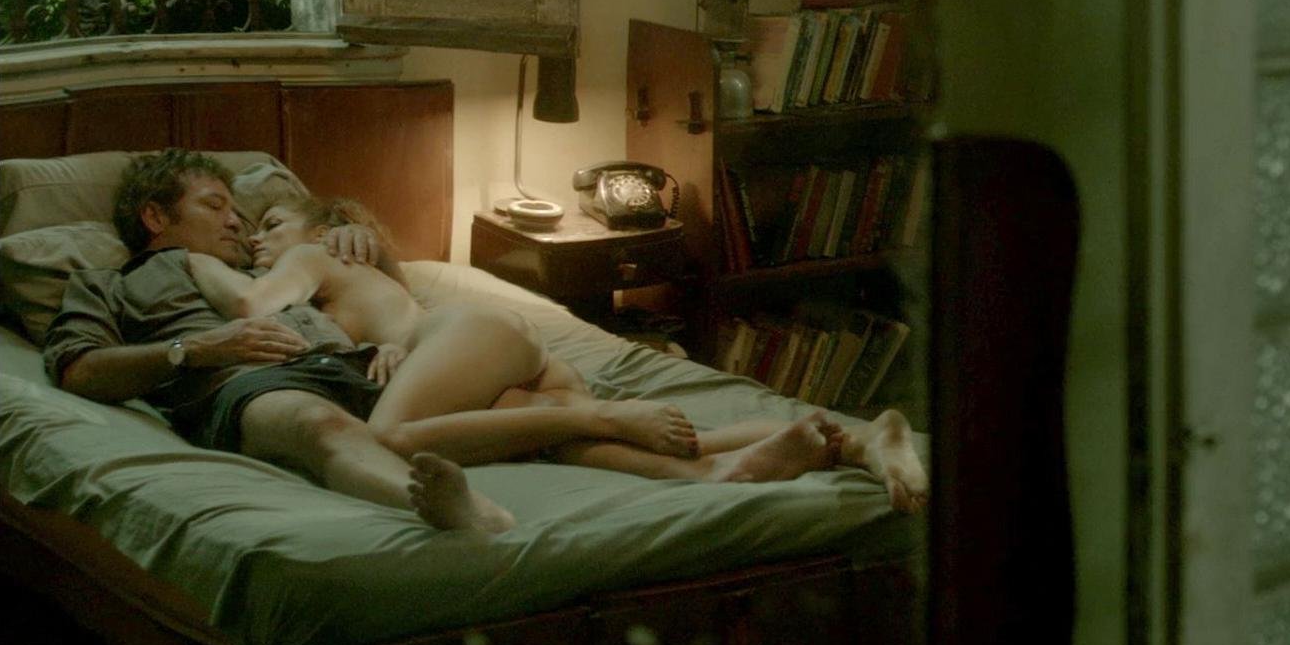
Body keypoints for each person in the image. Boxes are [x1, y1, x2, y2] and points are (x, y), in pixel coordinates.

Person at [194, 195, 928, 512]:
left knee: (387, 437)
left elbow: (250, 307)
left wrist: (196, 259)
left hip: (476, 336)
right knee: (597, 445)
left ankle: (607, 415)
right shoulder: (371, 279)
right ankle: (851, 439)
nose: (258, 238)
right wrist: (387, 343)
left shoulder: (315, 254)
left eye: (272, 222)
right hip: (493, 361)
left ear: (324, 226)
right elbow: (391, 314)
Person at [43, 150, 514, 533]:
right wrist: (193, 350)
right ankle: (458, 511)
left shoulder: (270, 269)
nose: (236, 223)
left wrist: (366, 253)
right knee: (320, 423)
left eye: (236, 211)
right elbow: (79, 370)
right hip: (256, 382)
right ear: (155, 216)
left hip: (359, 366)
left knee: (513, 396)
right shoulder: (109, 284)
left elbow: (382, 309)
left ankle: (563, 426)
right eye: (214, 206)